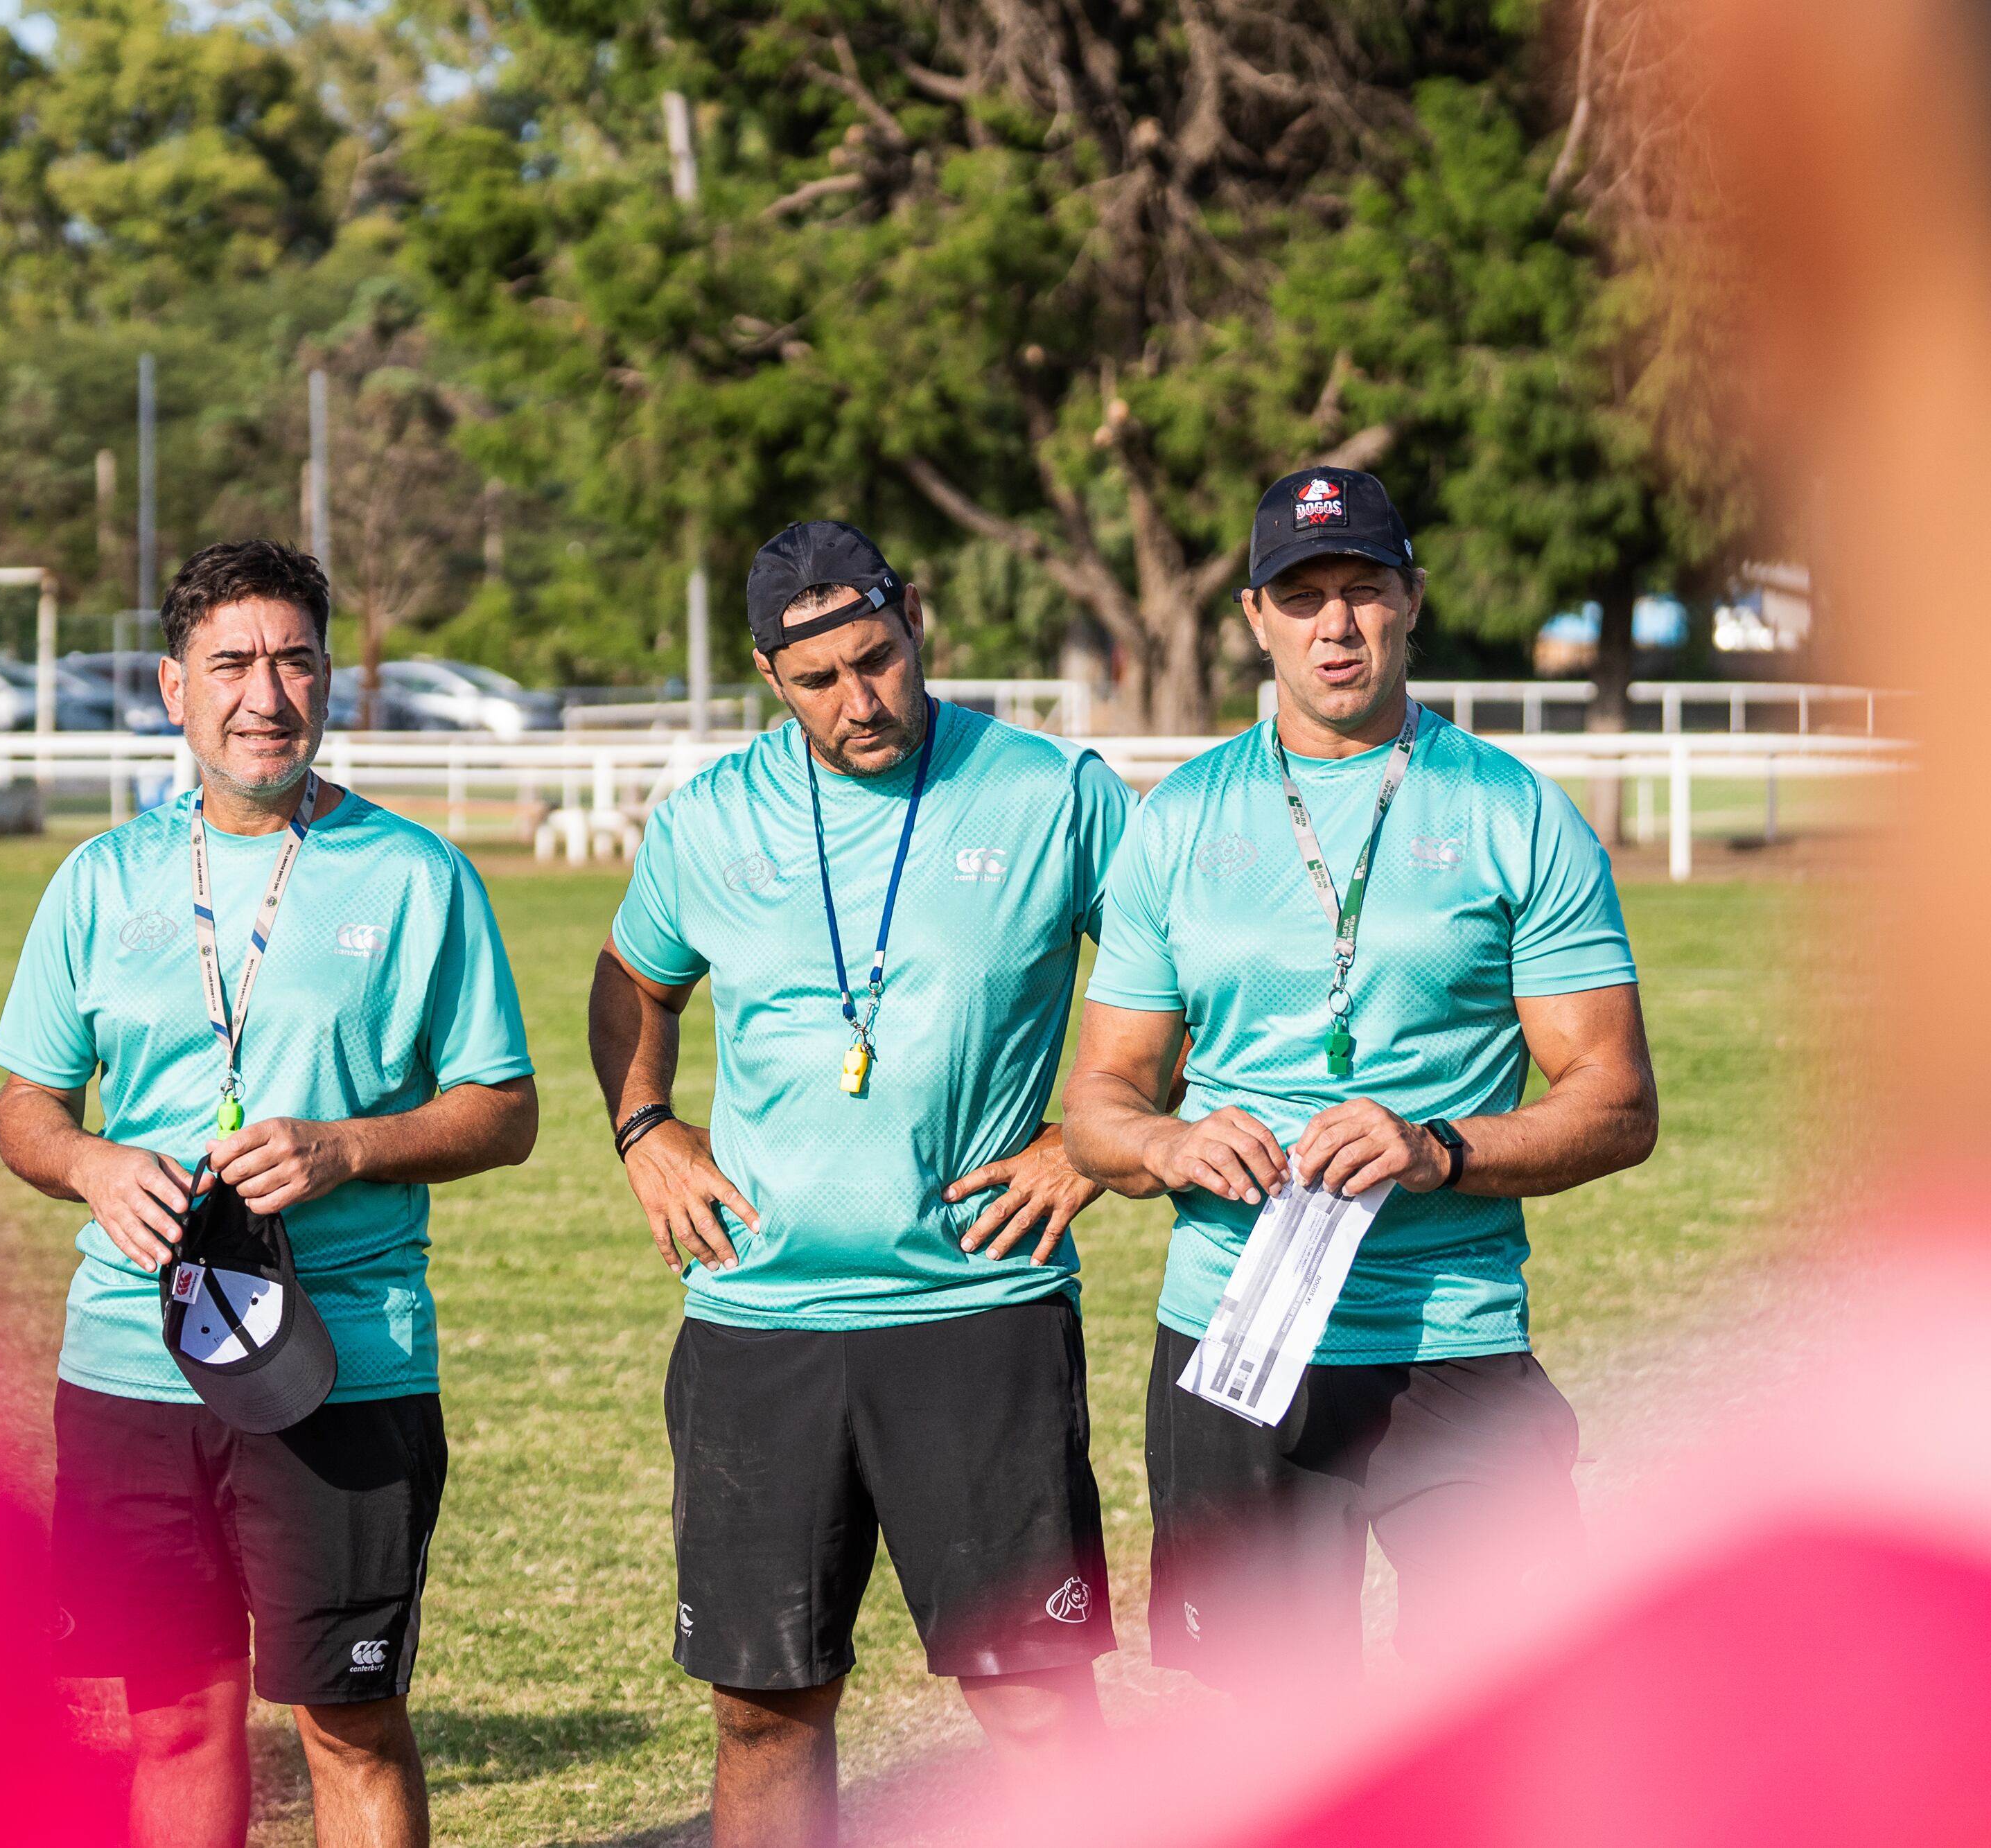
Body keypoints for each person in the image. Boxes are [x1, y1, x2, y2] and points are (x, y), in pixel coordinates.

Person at [1061, 466, 1660, 1689]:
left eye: (1362, 589)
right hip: (1237, 1337)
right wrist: (1166, 1145)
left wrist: (1440, 1147)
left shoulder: (1516, 814)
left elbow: (1617, 1100)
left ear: (1411, 600)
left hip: (1454, 1334)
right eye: (1302, 595)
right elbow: (1101, 1101)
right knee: (1261, 1750)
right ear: (1253, 617)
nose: (1335, 625)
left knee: (1508, 1719)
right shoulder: (1177, 822)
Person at [588, 522, 1133, 1848]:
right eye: (820, 679)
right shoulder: (710, 817)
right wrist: (646, 1124)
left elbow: (1179, 980)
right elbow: (633, 980)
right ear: (772, 677)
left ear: (915, 626)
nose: (861, 700)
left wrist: (1090, 1140)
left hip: (981, 1314)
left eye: (878, 661)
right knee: (764, 1707)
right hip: (758, 1329)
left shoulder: (1054, 790)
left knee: (1037, 1705)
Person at [0, 539, 538, 1848]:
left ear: (330, 681)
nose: (264, 694)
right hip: (130, 1361)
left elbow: (505, 1111)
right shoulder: (101, 881)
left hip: (342, 1362)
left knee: (348, 1722)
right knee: (176, 1714)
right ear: (174, 688)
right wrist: (91, 1162)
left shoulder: (416, 877)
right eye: (231, 663)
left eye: (294, 660)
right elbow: (26, 1106)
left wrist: (348, 1148)